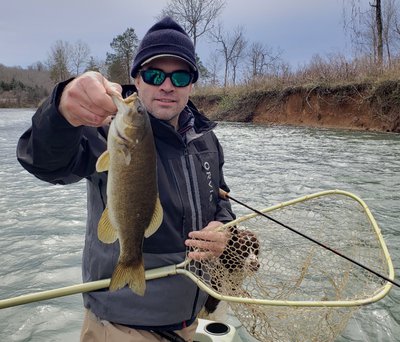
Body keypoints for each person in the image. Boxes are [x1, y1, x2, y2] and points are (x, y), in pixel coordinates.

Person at [17, 17, 235, 342]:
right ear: (137, 78)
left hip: (188, 320)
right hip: (122, 327)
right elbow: (46, 163)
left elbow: (221, 199)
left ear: (192, 83)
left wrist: (223, 226)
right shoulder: (106, 130)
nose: (167, 85)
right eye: (154, 74)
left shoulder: (205, 140)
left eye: (180, 75)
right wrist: (62, 110)